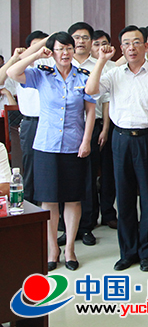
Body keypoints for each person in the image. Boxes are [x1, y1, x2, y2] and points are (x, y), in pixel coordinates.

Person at [86, 25, 148, 272]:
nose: (131, 47)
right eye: (126, 43)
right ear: (121, 48)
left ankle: (147, 253)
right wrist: (101, 61)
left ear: (146, 46)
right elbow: (90, 90)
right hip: (121, 139)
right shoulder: (113, 74)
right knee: (123, 198)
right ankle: (128, 252)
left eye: (136, 42)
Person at [7, 32, 96, 272]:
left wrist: (86, 141)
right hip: (46, 145)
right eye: (60, 49)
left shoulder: (83, 76)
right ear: (53, 52)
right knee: (49, 199)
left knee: (73, 198)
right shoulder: (42, 74)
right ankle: (52, 249)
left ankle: (70, 249)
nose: (65, 53)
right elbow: (13, 72)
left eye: (68, 48)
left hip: (74, 145)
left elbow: (90, 111)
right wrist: (37, 54)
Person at [0, 31, 50, 204]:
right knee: (29, 168)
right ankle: (29, 207)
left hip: (50, 123)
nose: (40, 49)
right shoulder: (19, 70)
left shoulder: (50, 65)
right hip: (30, 122)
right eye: (36, 46)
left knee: (50, 169)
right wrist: (15, 59)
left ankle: (52, 209)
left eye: (43, 45)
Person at [68, 22, 101, 247]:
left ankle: (87, 226)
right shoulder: (61, 63)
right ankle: (67, 227)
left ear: (91, 42)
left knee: (88, 177)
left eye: (85, 38)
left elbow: (104, 101)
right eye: (76, 38)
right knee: (67, 178)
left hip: (92, 126)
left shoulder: (99, 65)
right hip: (67, 128)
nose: (80, 42)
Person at [89, 29, 118, 230]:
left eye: (104, 43)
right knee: (89, 173)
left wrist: (106, 129)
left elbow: (107, 101)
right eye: (96, 44)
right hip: (86, 127)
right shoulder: (82, 66)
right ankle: (90, 216)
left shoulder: (112, 67)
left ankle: (108, 212)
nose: (100, 47)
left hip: (106, 123)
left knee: (109, 173)